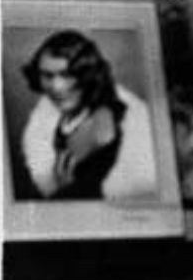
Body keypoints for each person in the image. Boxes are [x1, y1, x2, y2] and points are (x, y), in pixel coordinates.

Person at [16, 30, 158, 201]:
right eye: (47, 75)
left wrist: (65, 189)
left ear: (88, 74)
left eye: (67, 75)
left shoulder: (104, 119)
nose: (56, 86)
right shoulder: (63, 116)